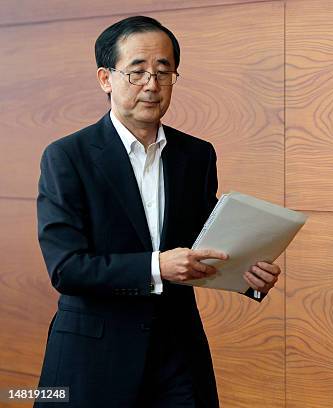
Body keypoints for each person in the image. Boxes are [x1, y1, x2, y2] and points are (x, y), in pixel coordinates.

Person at [35, 15, 281, 408]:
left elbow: (207, 245)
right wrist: (157, 268)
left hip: (178, 356)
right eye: (137, 71)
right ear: (105, 78)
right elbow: (66, 268)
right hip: (95, 358)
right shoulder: (68, 156)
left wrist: (248, 275)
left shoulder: (196, 155)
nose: (152, 84)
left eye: (163, 71)